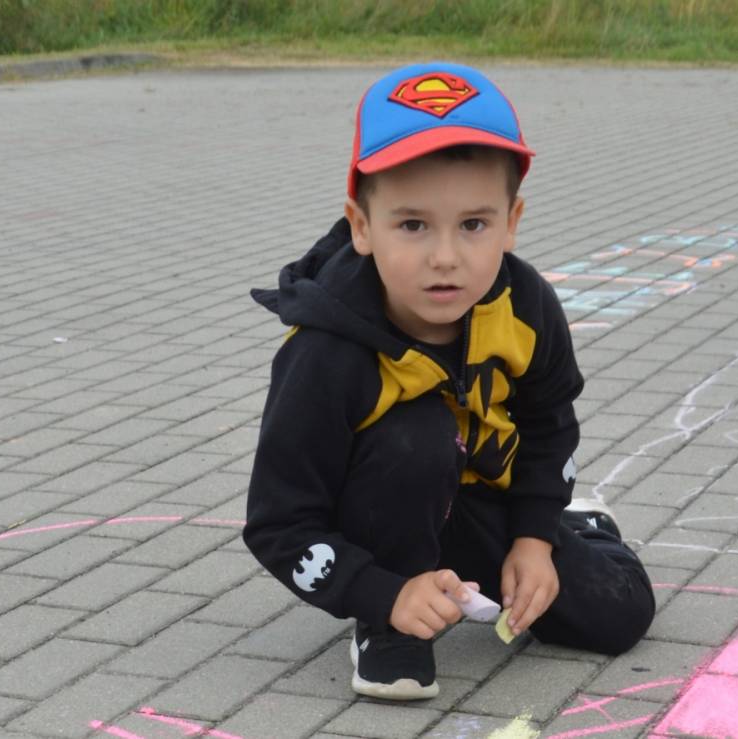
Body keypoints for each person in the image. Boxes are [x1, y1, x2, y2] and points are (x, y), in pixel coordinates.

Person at [243, 62, 655, 701]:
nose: (445, 257)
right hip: (381, 514)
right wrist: (381, 592)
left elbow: (549, 425)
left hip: (477, 499)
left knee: (619, 612)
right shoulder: (326, 353)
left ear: (511, 221)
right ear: (361, 226)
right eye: (413, 225)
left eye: (473, 225)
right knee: (417, 435)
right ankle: (390, 629)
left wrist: (534, 536)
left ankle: (579, 524)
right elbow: (279, 523)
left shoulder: (526, 306)